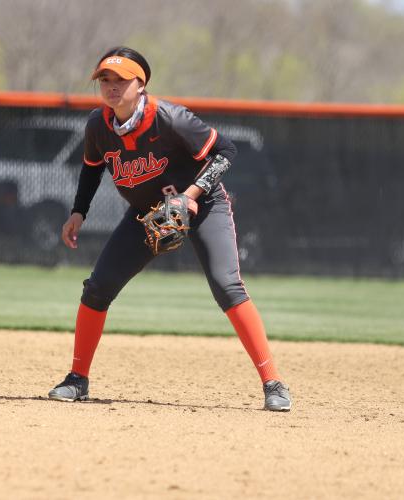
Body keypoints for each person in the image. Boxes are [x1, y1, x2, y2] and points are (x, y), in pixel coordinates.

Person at [48, 46, 291, 412]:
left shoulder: (170, 118)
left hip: (205, 205)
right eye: (105, 80)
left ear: (140, 84)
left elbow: (225, 152)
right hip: (146, 212)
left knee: (227, 286)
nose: (112, 87)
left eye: (121, 80)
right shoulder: (98, 125)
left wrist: (191, 195)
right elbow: (91, 167)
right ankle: (77, 379)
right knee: (97, 288)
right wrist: (78, 213)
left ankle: (273, 383)